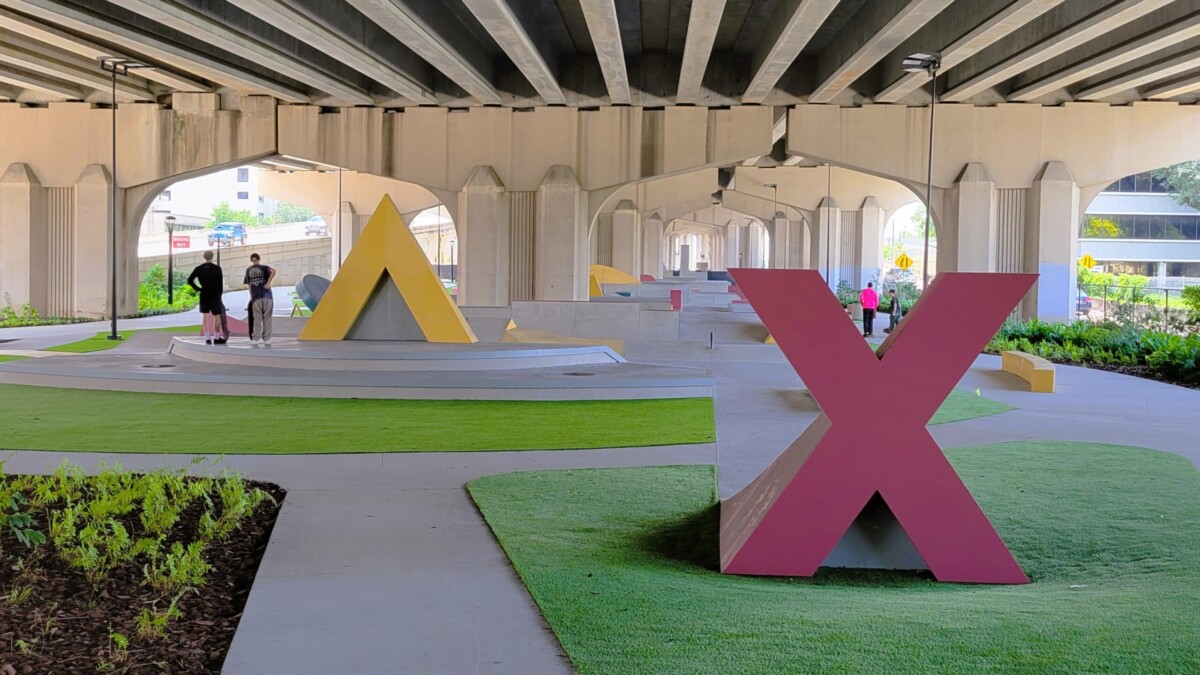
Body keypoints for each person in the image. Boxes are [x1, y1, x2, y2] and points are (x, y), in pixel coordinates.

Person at [187, 251, 225, 344]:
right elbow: (220, 283)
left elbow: (190, 280)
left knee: (204, 316)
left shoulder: (199, 269)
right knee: (217, 316)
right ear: (212, 257)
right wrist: (219, 294)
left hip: (204, 293)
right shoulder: (217, 269)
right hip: (214, 293)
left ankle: (207, 337)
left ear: (204, 257)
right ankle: (216, 337)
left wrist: (198, 289)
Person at [244, 253, 276, 346]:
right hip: (267, 296)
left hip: (256, 297)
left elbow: (249, 285)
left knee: (257, 318)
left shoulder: (248, 270)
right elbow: (273, 271)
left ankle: (256, 338)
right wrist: (268, 283)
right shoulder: (265, 267)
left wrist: (251, 296)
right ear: (259, 259)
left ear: (251, 260)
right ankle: (266, 338)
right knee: (267, 318)